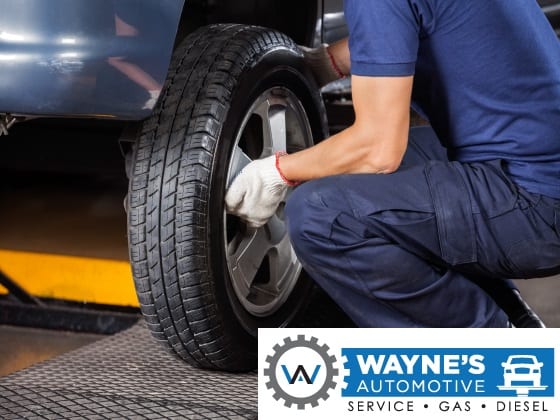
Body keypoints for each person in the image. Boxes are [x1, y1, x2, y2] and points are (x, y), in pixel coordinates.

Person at [225, 0, 560, 327]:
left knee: (321, 215)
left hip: (537, 204)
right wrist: (328, 63)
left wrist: (276, 172)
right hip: (530, 163)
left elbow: (378, 150)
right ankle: (514, 315)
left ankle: (488, 347)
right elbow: (415, 24)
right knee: (342, 172)